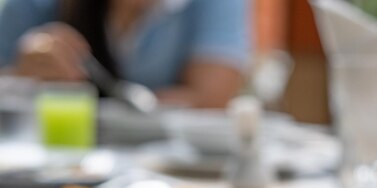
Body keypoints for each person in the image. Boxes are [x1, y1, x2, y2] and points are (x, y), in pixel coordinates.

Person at [0, 0, 250, 108]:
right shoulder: (34, 5)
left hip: (167, 168)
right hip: (50, 160)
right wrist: (20, 75)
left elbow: (211, 98)